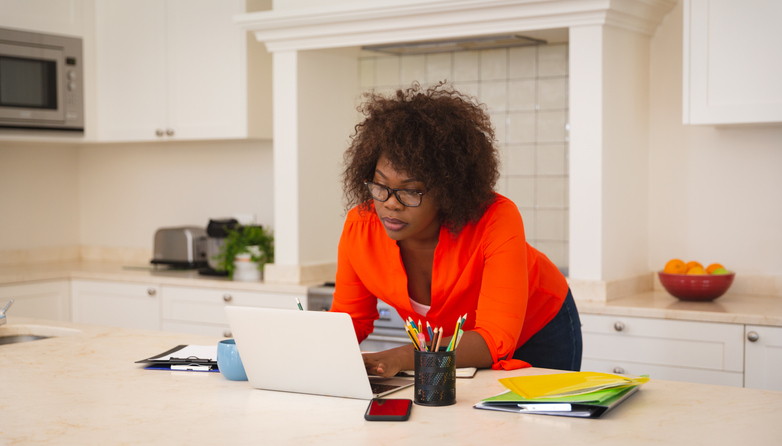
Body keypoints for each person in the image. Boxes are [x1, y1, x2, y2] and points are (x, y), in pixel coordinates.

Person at [331, 82, 582, 378]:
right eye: (380, 186)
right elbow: (351, 321)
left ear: (448, 191)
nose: (390, 204)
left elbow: (492, 341)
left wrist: (400, 357)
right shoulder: (360, 227)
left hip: (538, 330)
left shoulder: (496, 218)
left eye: (410, 191)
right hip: (450, 346)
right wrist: (309, 347)